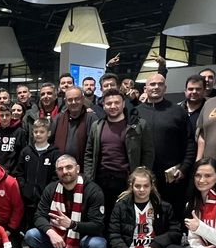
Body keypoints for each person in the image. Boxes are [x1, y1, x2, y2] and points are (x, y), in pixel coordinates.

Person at [24, 155, 107, 248]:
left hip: (84, 237)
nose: (65, 171)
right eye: (60, 169)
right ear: (56, 172)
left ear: (77, 169)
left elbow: (98, 225)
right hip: (59, 235)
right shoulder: (51, 188)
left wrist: (73, 225)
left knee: (97, 245)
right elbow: (38, 216)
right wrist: (51, 233)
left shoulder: (93, 190)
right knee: (31, 235)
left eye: (69, 167)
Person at [107, 167, 184, 248]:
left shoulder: (163, 206)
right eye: (137, 186)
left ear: (151, 186)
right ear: (131, 186)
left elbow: (176, 231)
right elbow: (114, 235)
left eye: (146, 186)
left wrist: (158, 243)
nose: (142, 190)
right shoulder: (121, 206)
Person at [83, 88, 154, 217]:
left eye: (117, 102)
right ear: (103, 105)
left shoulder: (138, 125)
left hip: (126, 180)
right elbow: (89, 153)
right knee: (102, 217)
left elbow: (148, 153)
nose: (113, 106)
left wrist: (142, 176)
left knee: (125, 217)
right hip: (101, 180)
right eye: (109, 103)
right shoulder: (97, 126)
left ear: (123, 104)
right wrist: (89, 178)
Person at [140, 73, 196, 219]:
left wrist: (184, 168)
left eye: (160, 84)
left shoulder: (178, 111)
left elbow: (190, 143)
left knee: (172, 216)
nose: (156, 87)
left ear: (165, 88)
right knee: (146, 215)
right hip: (143, 176)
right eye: (152, 84)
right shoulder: (136, 112)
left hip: (172, 177)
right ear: (145, 88)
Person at [15, 119, 60, 248]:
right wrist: (24, 187)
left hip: (45, 199)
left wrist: (48, 192)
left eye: (42, 132)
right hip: (28, 198)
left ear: (48, 133)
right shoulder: (26, 151)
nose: (38, 134)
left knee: (44, 225)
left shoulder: (54, 153)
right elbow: (19, 172)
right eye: (36, 132)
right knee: (29, 224)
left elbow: (56, 177)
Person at [49, 86, 97, 164]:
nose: (73, 102)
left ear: (82, 99)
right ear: (65, 101)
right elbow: (50, 141)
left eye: (77, 99)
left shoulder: (92, 118)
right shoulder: (58, 118)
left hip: (83, 167)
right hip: (60, 166)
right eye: (70, 100)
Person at [0, 104, 26, 174]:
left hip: (12, 173)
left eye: (7, 115)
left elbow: (22, 154)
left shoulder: (19, 132)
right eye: (2, 115)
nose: (4, 118)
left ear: (11, 116)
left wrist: (17, 172)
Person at [181, 74, 207, 140]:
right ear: (185, 91)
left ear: (204, 91)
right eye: (190, 89)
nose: (194, 92)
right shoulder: (177, 110)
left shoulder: (210, 110)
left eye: (198, 89)